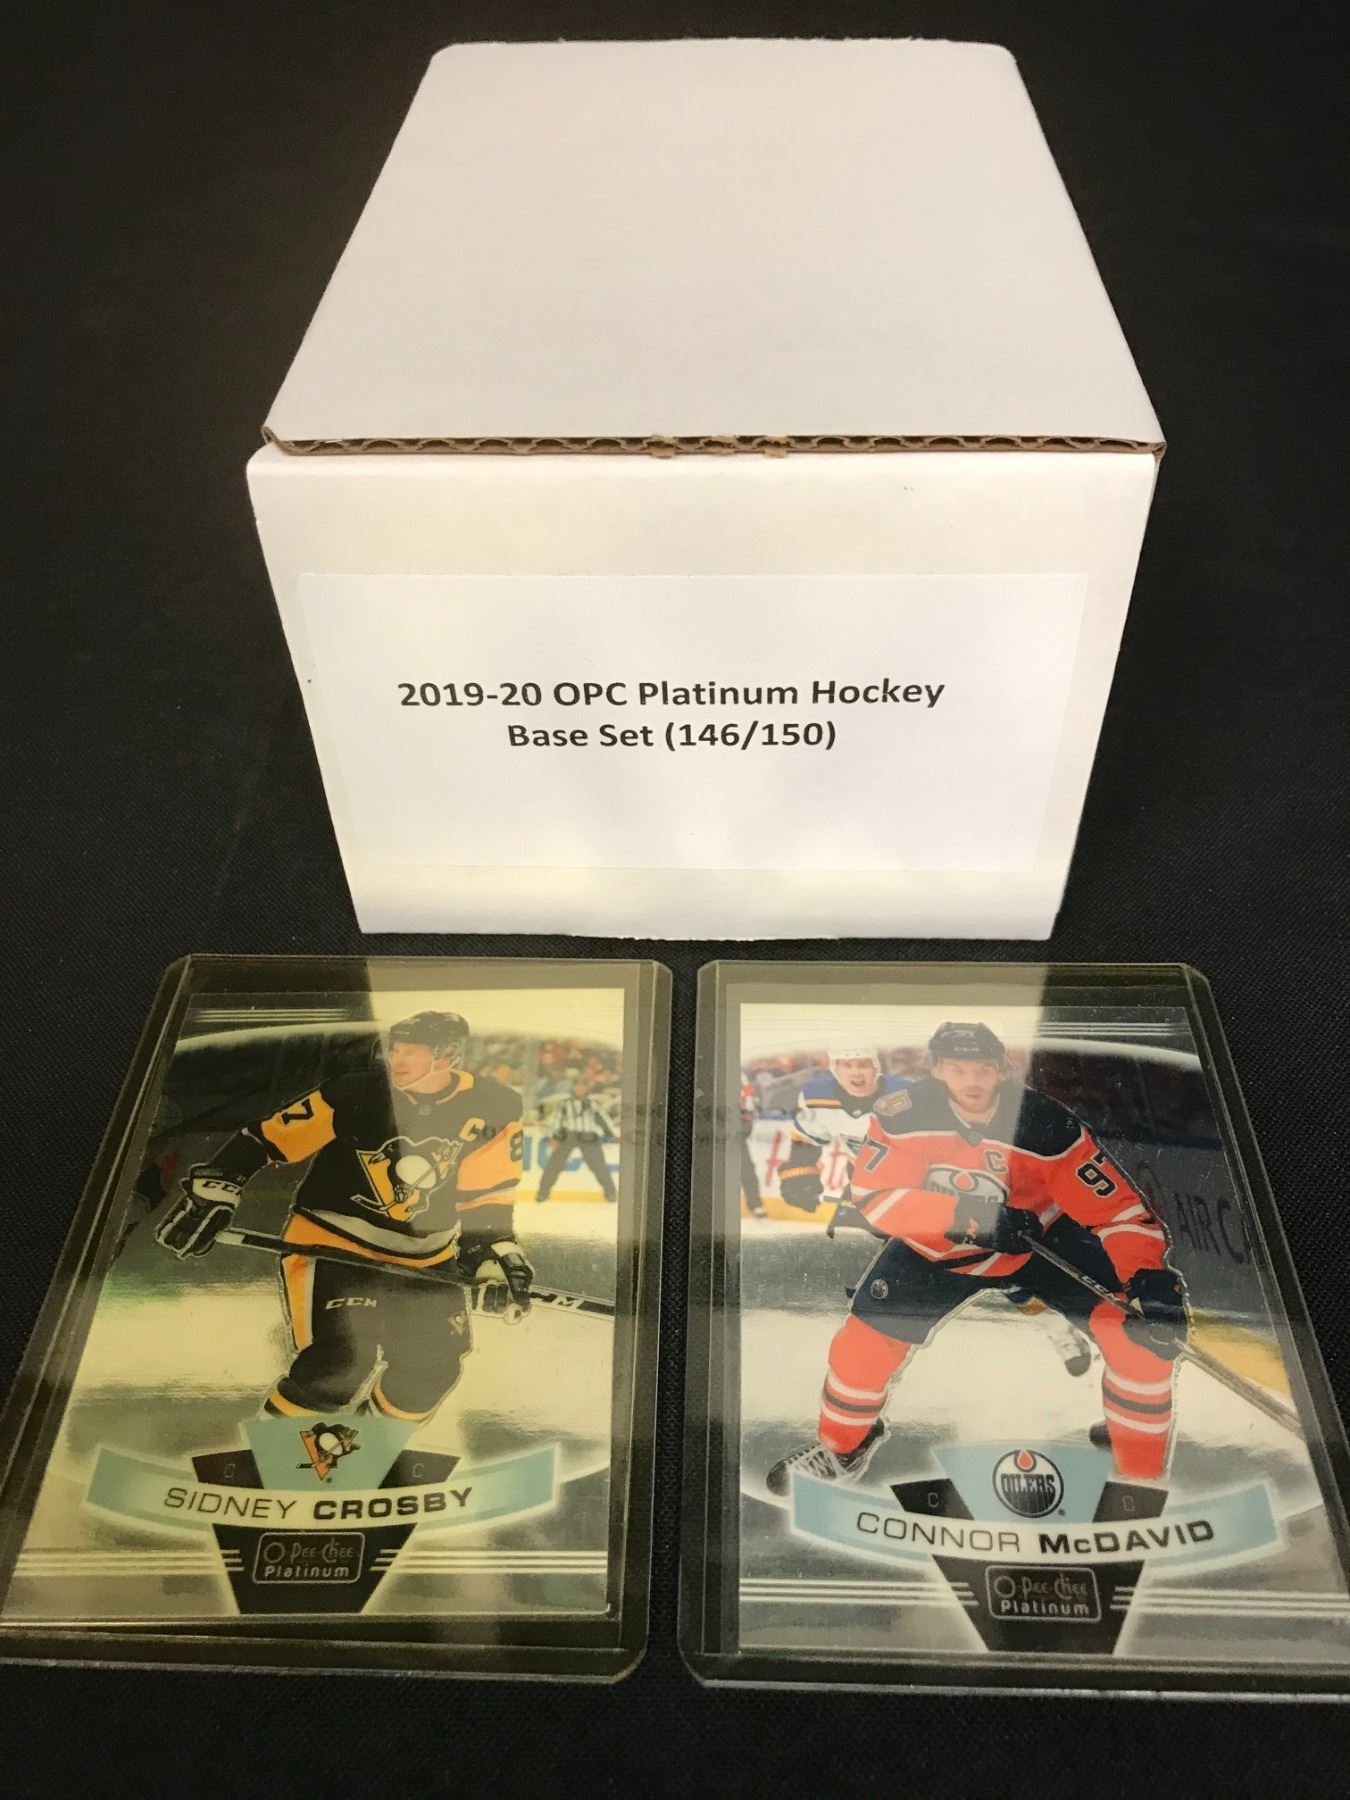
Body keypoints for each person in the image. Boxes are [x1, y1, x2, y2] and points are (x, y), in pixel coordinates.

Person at [767, 1021, 1187, 1493]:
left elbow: (1118, 1212)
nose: (971, 1081)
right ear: (936, 1069)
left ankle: (1139, 1470)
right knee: (862, 1345)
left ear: (1002, 1070)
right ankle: (841, 1446)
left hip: (1041, 1242)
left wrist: (1149, 1275)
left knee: (1141, 1337)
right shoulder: (903, 1115)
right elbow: (875, 1196)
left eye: (983, 1069)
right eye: (958, 1069)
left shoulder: (1047, 1125)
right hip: (935, 1248)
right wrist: (970, 1217)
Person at [155, 1010, 531, 1425]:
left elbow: (487, 1194)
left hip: (426, 1256)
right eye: (396, 1049)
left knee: (431, 1369)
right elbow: (265, 1139)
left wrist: (490, 1252)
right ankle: (275, 1453)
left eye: (412, 1052)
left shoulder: (495, 1106)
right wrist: (219, 1187)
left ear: (447, 1056)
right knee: (341, 1360)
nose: (397, 1059)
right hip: (332, 1242)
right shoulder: (355, 1092)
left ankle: (364, 1448)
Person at [778, 1043, 1092, 1378]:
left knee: (1005, 1274)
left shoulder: (912, 1096)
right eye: (847, 1065)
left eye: (863, 1064)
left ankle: (1059, 1332)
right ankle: (877, 1359)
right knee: (885, 1279)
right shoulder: (819, 1098)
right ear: (834, 1069)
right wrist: (800, 1176)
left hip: (948, 1197)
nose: (856, 1073)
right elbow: (805, 1138)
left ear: (877, 1066)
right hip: (886, 1199)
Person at [536, 1080, 618, 1202]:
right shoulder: (564, 1104)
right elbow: (557, 1120)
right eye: (576, 1087)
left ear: (585, 1089)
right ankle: (543, 1193)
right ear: (573, 1089)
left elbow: (603, 1119)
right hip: (569, 1135)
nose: (579, 1090)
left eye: (581, 1087)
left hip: (588, 1136)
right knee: (554, 1165)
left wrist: (611, 1134)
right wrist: (555, 1137)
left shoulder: (593, 1104)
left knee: (599, 1165)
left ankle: (610, 1193)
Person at [739, 1082, 766, 1218]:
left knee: (747, 1170)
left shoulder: (746, 1087)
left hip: (735, 1140)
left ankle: (755, 1205)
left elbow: (747, 1120)